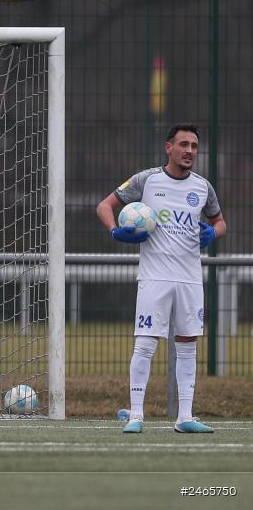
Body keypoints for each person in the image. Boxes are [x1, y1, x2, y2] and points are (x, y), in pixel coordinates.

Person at [96, 124, 226, 434]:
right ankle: (136, 415)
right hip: (154, 278)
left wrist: (212, 233)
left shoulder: (203, 187)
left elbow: (220, 222)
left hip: (191, 279)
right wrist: (115, 230)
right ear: (168, 147)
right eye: (183, 144)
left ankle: (184, 417)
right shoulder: (146, 180)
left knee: (187, 344)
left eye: (194, 145)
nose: (189, 150)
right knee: (145, 343)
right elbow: (105, 206)